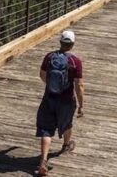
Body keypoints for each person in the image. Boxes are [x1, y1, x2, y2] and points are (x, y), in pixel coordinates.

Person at [36, 29, 84, 176]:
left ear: (60, 42)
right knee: (67, 122)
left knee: (45, 129)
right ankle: (66, 144)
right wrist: (81, 105)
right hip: (66, 100)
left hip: (49, 97)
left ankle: (43, 160)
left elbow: (42, 75)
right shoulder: (75, 62)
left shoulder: (49, 57)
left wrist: (52, 86)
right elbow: (79, 85)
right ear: (72, 44)